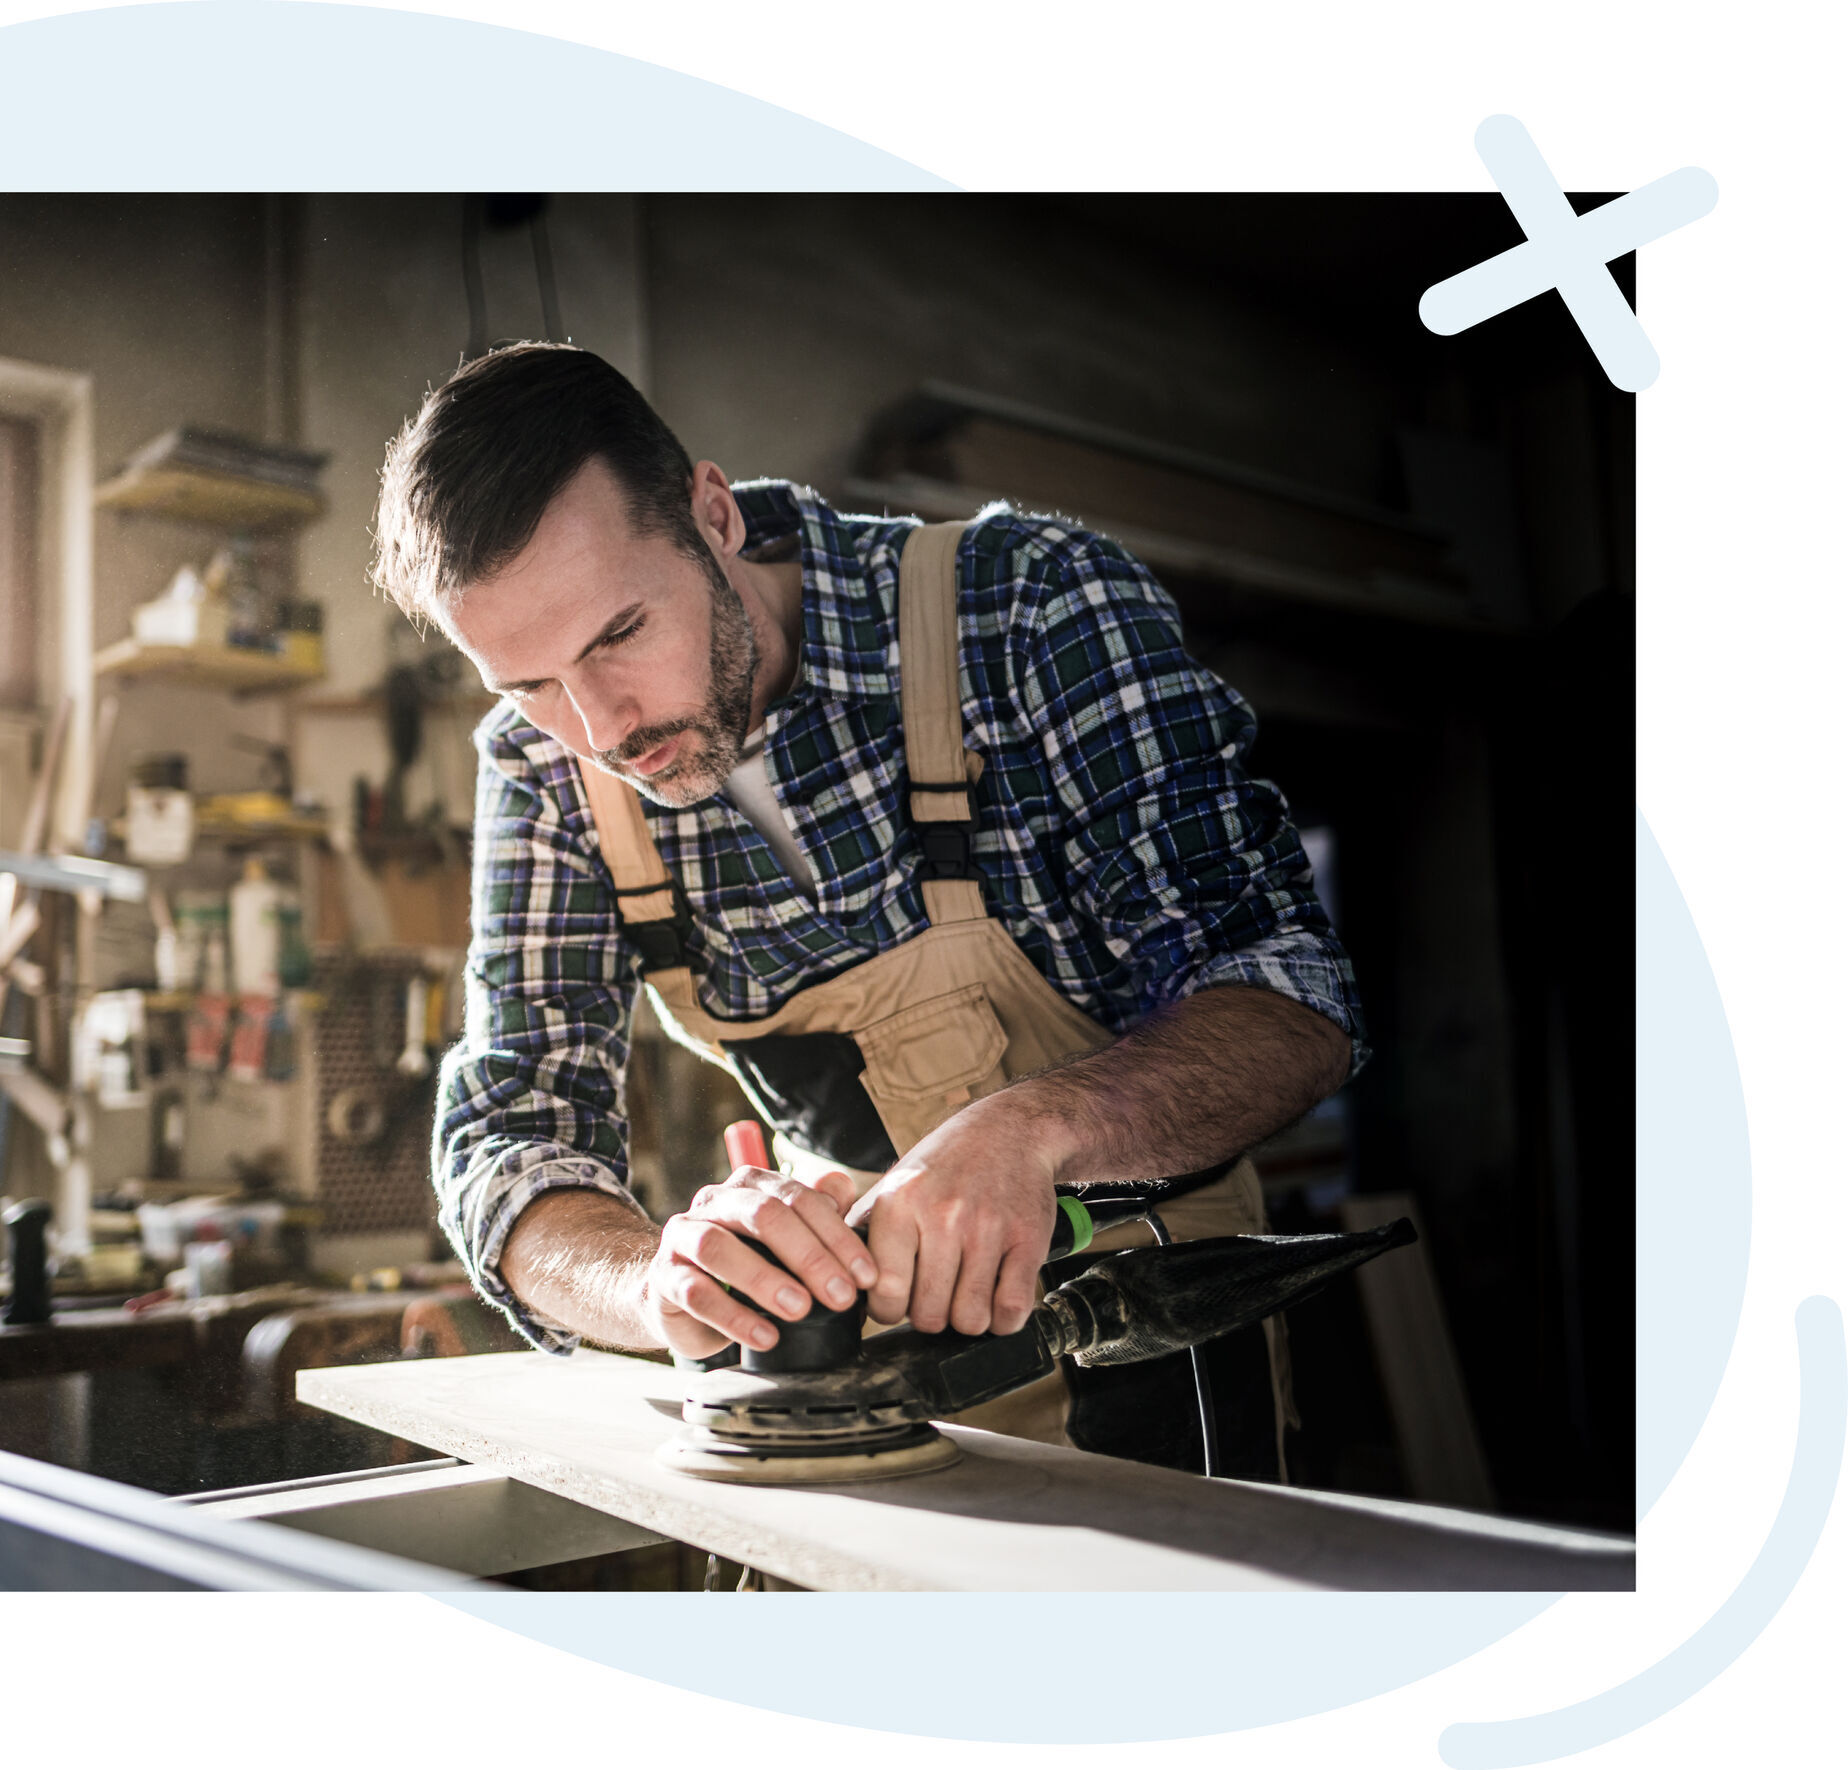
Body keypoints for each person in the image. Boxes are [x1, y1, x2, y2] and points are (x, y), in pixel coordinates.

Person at [371, 342, 1363, 1477]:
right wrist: (658, 1281)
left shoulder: (1032, 606)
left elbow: (1289, 998)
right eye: (531, 683)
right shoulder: (542, 770)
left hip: (1147, 1330)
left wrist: (1032, 1132)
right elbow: (510, 1138)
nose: (600, 728)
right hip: (840, 1381)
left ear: (713, 514)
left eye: (618, 637)